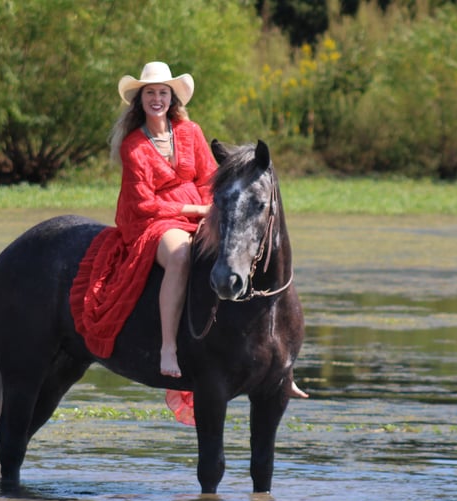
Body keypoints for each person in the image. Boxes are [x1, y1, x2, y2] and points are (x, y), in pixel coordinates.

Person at [70, 62, 307, 425]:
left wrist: (209, 211)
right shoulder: (134, 145)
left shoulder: (190, 132)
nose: (156, 98)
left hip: (198, 213)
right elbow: (142, 202)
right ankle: (169, 347)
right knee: (181, 255)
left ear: (172, 98)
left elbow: (209, 179)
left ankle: (277, 366)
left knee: (241, 252)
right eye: (150, 93)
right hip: (152, 221)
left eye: (162, 92)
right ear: (140, 100)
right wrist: (194, 208)